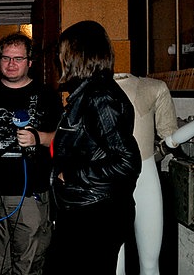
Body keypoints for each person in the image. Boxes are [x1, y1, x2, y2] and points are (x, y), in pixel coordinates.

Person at [0, 32, 63, 275]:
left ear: (29, 62)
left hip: (29, 193)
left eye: (18, 58)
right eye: (6, 58)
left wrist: (39, 138)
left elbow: (64, 138)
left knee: (30, 257)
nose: (11, 64)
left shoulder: (46, 95)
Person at [44, 20, 141, 275]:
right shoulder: (88, 94)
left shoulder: (99, 97)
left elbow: (127, 162)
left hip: (94, 214)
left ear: (77, 56)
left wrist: (73, 175)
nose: (59, 60)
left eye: (63, 53)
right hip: (87, 210)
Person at [114, 74, 178, 275]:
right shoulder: (91, 89)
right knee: (114, 263)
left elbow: (171, 137)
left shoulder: (153, 88)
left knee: (150, 264)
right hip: (110, 179)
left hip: (144, 175)